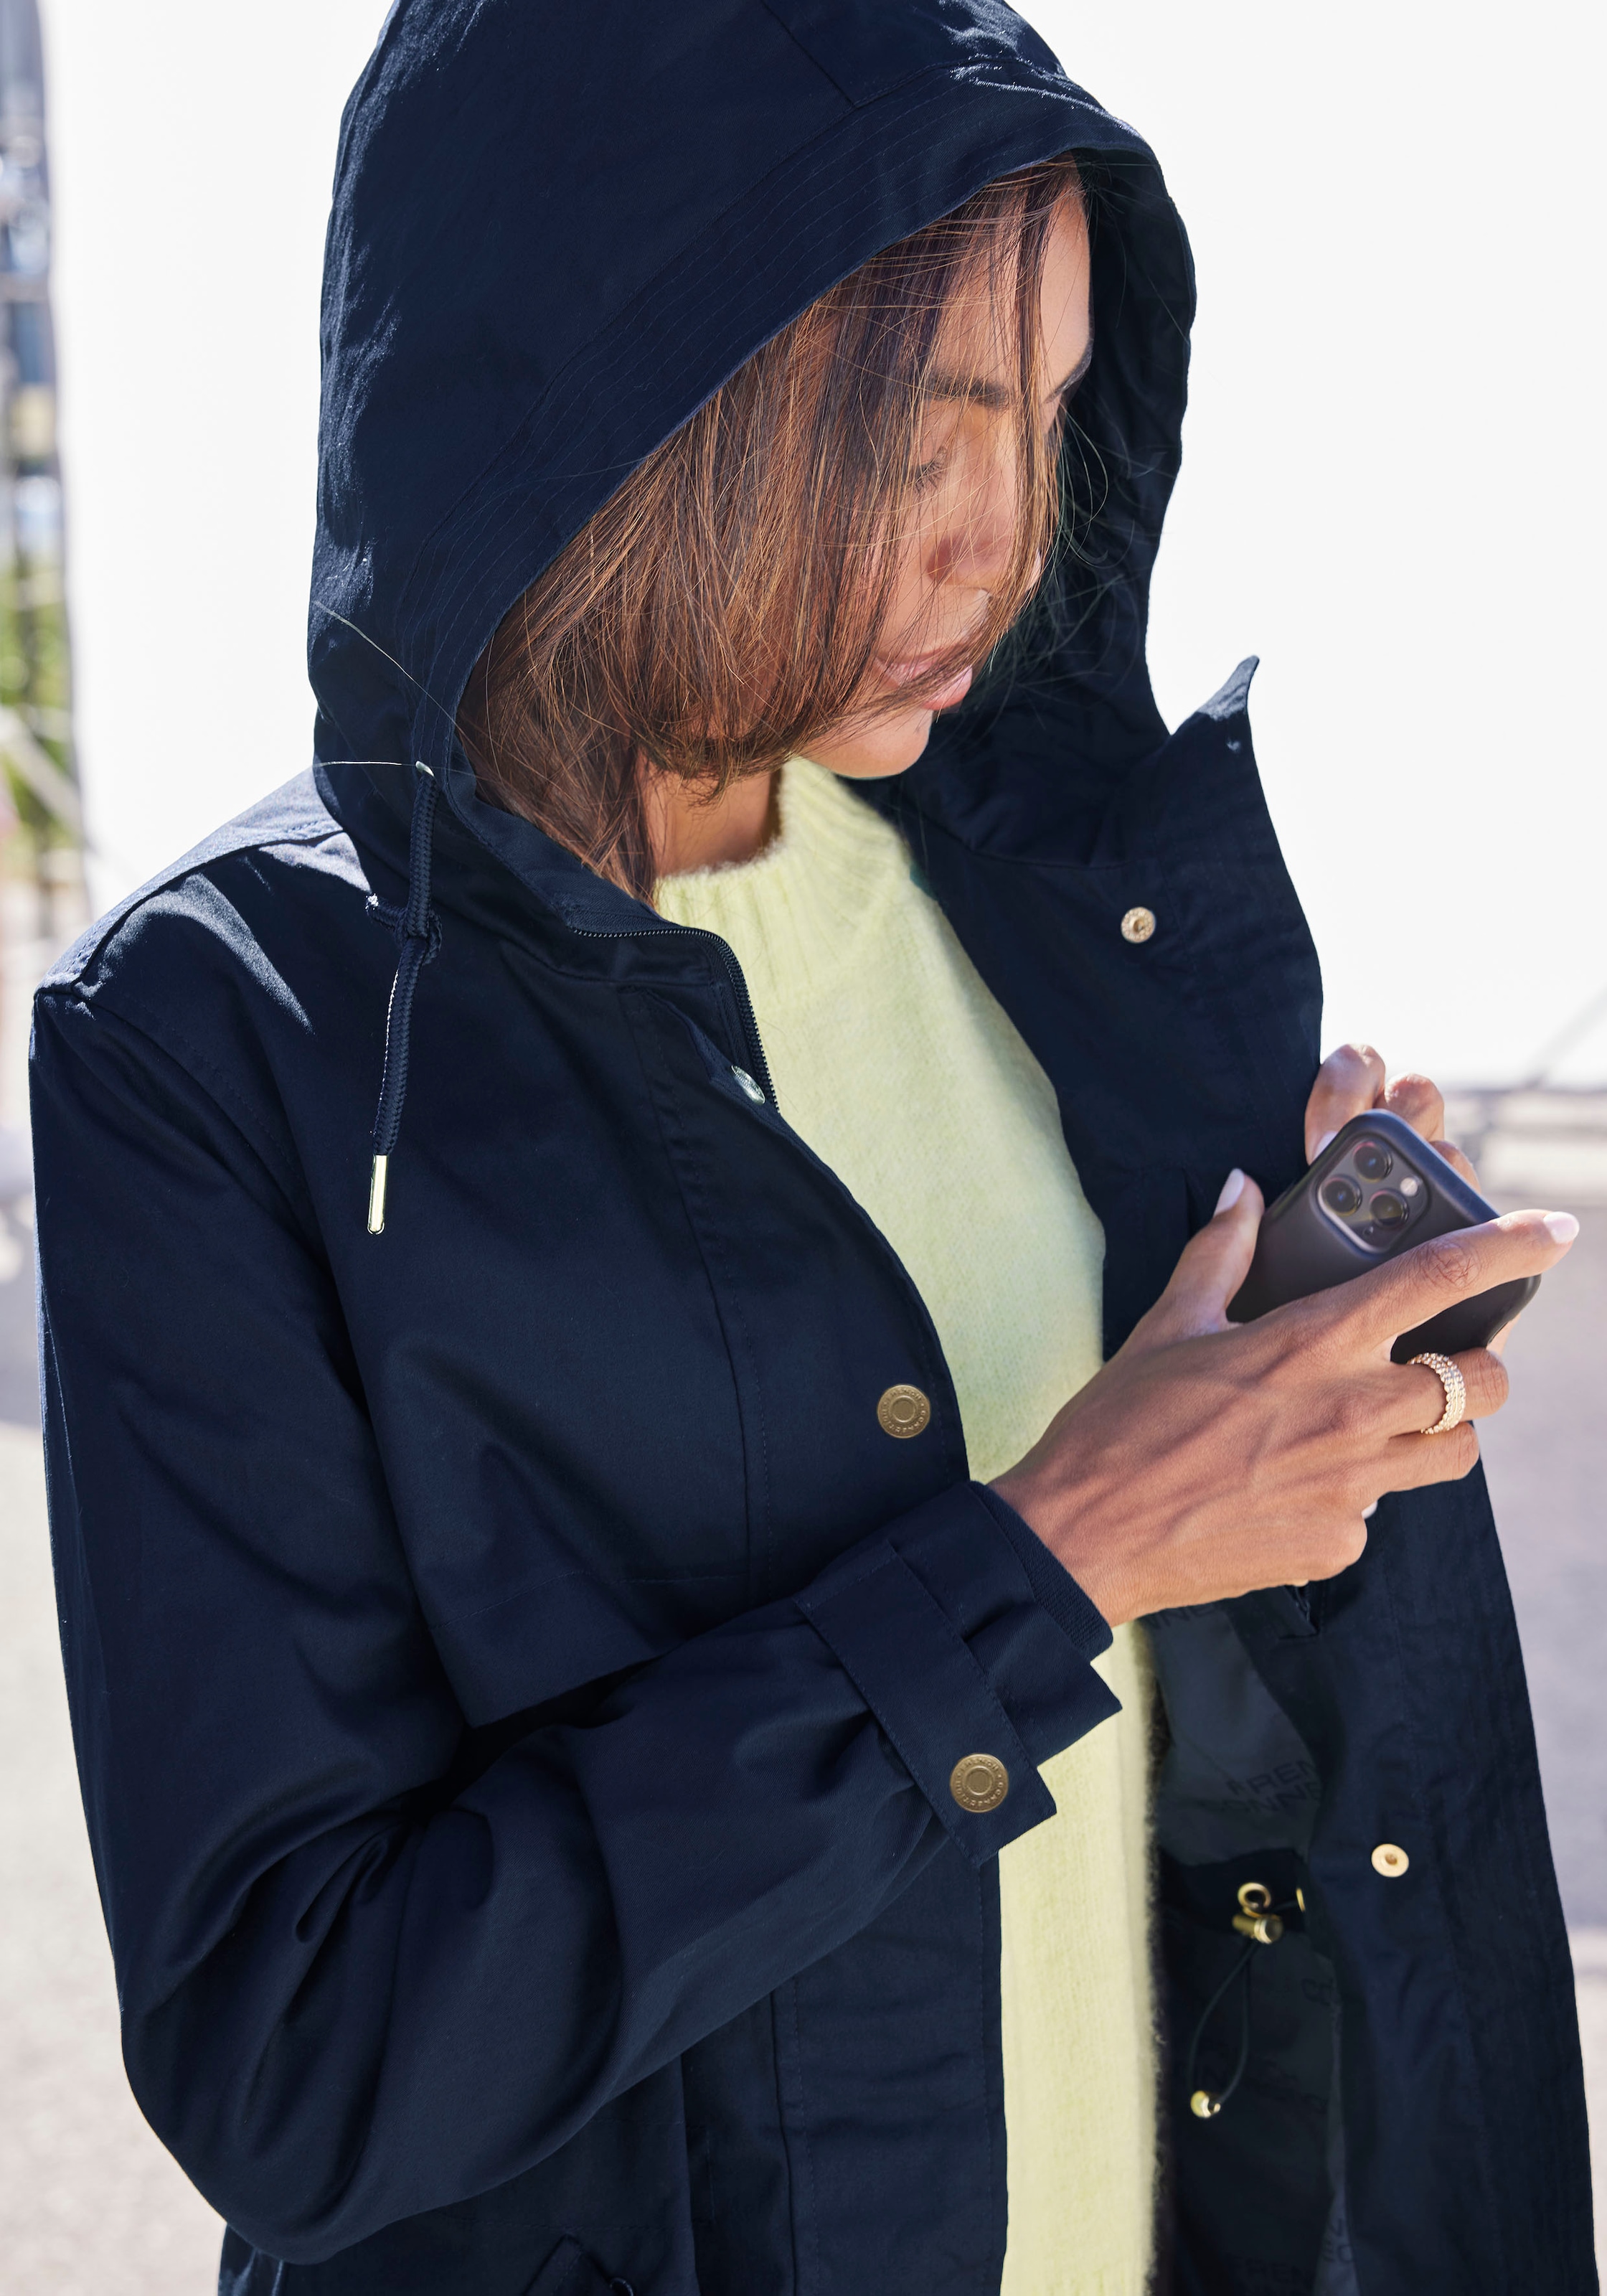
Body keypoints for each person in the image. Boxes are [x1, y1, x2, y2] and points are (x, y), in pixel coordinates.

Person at [29, 3, 1590, 2292]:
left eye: (1053, 421)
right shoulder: (224, 1033)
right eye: (922, 442)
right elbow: (307, 2052)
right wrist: (1046, 1560)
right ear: (626, 397)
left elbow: (1238, 1778)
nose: (1004, 541)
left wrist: (1285, 1428)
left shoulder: (1070, 915)